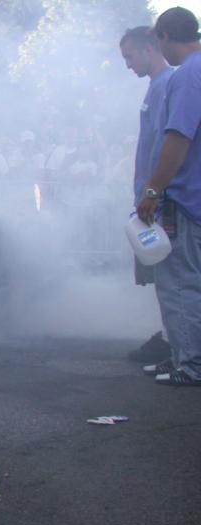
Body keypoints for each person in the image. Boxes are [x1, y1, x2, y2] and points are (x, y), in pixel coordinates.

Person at [136, 7, 201, 386]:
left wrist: (152, 190)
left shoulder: (189, 74)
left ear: (162, 37)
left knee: (179, 283)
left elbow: (177, 138)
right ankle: (181, 355)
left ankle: (190, 364)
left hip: (186, 199)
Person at [120, 25, 174, 363]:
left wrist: (153, 192)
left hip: (163, 199)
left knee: (172, 275)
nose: (128, 65)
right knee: (162, 275)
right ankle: (173, 338)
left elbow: (170, 144)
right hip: (153, 196)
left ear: (148, 49)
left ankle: (177, 344)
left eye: (130, 57)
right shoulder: (157, 86)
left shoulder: (168, 84)